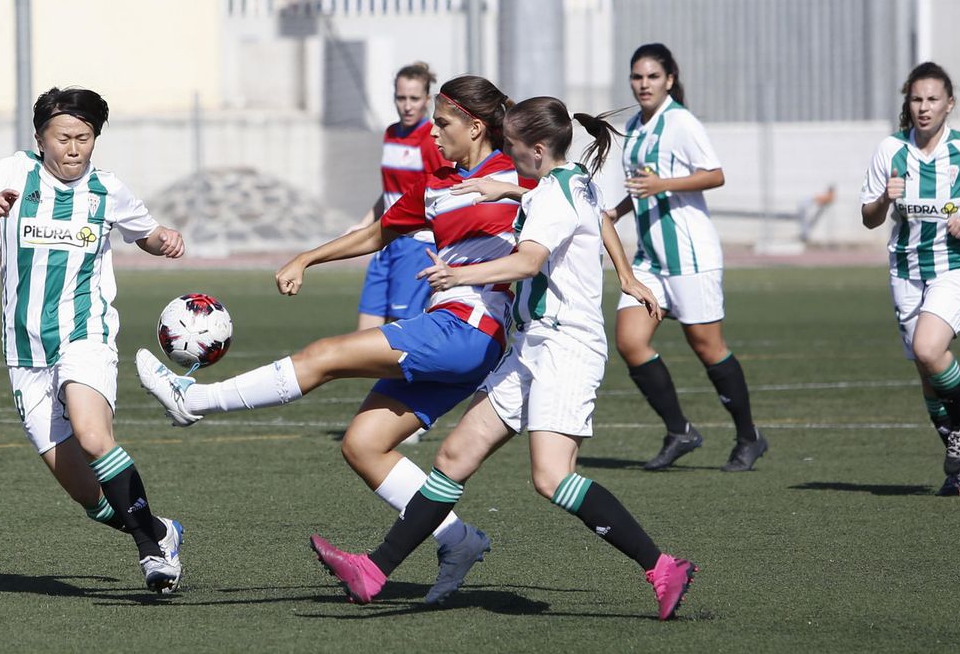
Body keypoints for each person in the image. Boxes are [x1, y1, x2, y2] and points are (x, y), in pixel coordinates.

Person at [137, 75, 528, 604]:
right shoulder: (438, 183)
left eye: (442, 123)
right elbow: (377, 233)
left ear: (476, 127)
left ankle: (193, 400)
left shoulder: (514, 176)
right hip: (453, 332)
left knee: (324, 357)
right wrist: (307, 258)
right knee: (364, 445)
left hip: (468, 330)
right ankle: (457, 540)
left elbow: (567, 200)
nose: (433, 133)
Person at [309, 96, 697, 618]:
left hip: (567, 349)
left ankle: (663, 566)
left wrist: (459, 275)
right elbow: (600, 218)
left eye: (512, 149)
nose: (506, 157)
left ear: (536, 149)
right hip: (531, 345)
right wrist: (622, 274)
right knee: (454, 457)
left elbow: (528, 261)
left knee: (551, 478)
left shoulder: (553, 196)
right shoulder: (571, 179)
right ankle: (373, 571)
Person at [0, 86, 188, 593]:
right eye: (63, 138)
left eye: (84, 138)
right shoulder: (11, 173)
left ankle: (152, 554)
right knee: (90, 498)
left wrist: (164, 240)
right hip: (25, 349)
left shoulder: (108, 190)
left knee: (93, 436)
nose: (74, 149)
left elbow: (145, 232)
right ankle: (160, 531)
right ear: (40, 139)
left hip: (85, 333)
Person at [603, 43, 767, 473]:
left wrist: (664, 185)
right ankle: (680, 431)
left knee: (707, 347)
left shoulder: (681, 123)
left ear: (670, 80)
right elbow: (642, 185)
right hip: (650, 258)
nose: (644, 84)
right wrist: (616, 211)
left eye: (653, 76)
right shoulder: (634, 126)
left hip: (690, 255)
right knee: (630, 342)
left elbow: (715, 174)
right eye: (637, 76)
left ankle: (749, 436)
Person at [860, 63, 960, 496]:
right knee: (926, 371)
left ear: (950, 104)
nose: (924, 107)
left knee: (928, 348)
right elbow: (869, 218)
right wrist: (883, 198)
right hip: (907, 271)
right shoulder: (890, 150)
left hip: (959, 267)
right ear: (907, 104)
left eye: (932, 99)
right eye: (916, 99)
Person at [355, 62, 445, 332]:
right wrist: (363, 225)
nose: (407, 106)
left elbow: (443, 192)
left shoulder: (431, 139)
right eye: (401, 98)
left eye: (414, 99)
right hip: (385, 240)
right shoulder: (391, 133)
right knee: (365, 331)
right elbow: (392, 192)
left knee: (401, 331)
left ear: (427, 100)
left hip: (414, 245)